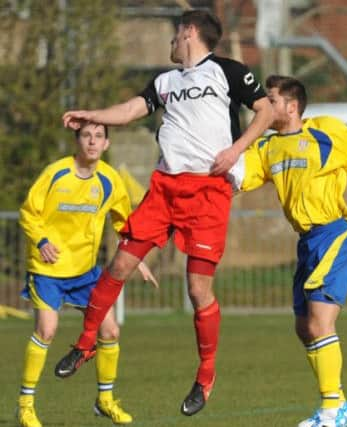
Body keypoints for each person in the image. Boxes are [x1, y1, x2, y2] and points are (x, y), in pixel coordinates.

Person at [54, 9, 273, 417]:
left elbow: (265, 111)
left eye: (175, 35)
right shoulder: (165, 81)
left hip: (207, 190)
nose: (171, 43)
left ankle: (206, 376)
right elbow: (132, 109)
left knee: (197, 291)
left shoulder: (228, 70)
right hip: (164, 187)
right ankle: (85, 343)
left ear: (188, 32)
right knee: (118, 264)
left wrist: (236, 149)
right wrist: (92, 116)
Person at [241, 75, 347, 427]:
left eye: (271, 100)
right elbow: (236, 180)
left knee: (320, 322)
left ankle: (332, 412)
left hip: (333, 234)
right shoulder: (266, 147)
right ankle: (340, 403)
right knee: (304, 327)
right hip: (306, 242)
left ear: (291, 106)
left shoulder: (328, 133)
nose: (264, 106)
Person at [17, 122, 158, 427]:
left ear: (106, 144)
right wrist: (41, 241)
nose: (92, 142)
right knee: (47, 330)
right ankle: (26, 405)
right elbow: (29, 212)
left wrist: (137, 258)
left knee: (110, 332)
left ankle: (104, 401)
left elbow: (125, 223)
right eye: (86, 136)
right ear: (77, 141)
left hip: (84, 273)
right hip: (48, 270)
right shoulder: (56, 173)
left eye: (98, 136)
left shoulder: (110, 180)